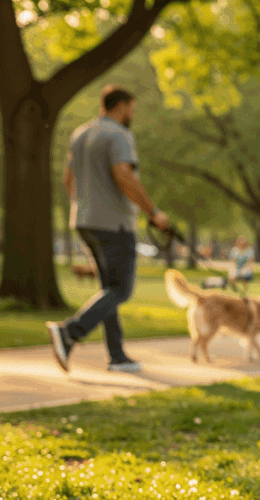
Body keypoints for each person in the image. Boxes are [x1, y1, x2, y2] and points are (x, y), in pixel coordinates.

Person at [46, 84, 170, 374]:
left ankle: (117, 356)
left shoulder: (79, 135)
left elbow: (68, 178)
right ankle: (69, 333)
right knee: (120, 290)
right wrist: (153, 212)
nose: (132, 114)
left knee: (107, 291)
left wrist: (84, 204)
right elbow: (123, 175)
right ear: (122, 105)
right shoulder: (118, 134)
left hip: (84, 221)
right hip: (114, 224)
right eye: (132, 109)